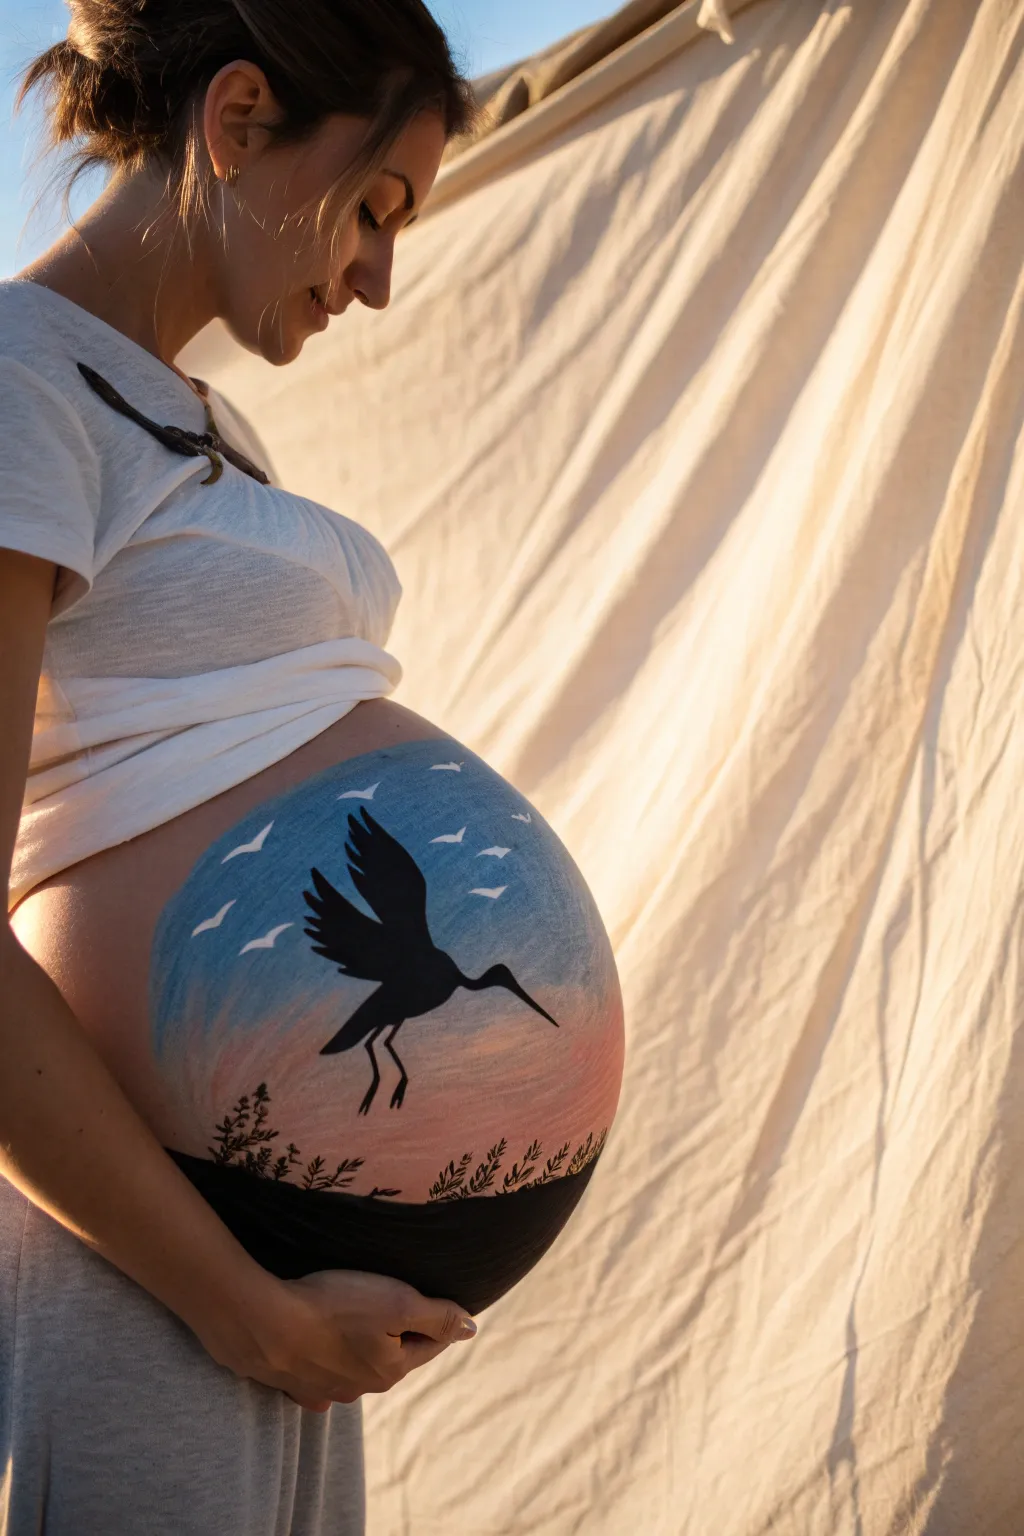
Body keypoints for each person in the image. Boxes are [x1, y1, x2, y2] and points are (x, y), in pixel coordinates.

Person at [0, 2, 624, 1532]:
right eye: (373, 207)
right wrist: (236, 1305)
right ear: (235, 120)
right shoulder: (19, 381)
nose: (381, 277)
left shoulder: (208, 426)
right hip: (142, 1258)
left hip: (269, 1282)